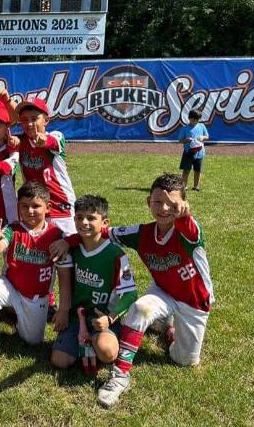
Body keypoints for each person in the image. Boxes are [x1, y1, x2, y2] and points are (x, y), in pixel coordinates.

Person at [51, 173, 212, 408]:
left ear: (182, 205)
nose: (164, 208)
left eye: (172, 203)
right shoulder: (142, 233)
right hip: (163, 290)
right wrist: (69, 241)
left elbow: (191, 230)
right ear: (148, 203)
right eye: (157, 202)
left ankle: (169, 330)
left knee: (184, 361)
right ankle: (120, 376)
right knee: (140, 308)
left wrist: (185, 216)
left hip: (193, 301)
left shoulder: (188, 230)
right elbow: (101, 232)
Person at [0, 181, 73, 370]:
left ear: (48, 207)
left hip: (37, 298)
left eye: (36, 206)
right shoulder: (13, 228)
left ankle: (18, 317)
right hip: (10, 286)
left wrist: (63, 309)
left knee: (32, 342)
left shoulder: (57, 236)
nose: (30, 211)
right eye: (24, 206)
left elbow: (65, 278)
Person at [50, 195, 138, 372]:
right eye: (79, 217)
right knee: (59, 361)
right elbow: (65, 283)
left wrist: (110, 318)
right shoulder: (70, 249)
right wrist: (63, 311)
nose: (84, 222)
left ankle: (99, 341)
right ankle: (84, 342)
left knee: (107, 352)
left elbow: (130, 294)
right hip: (77, 317)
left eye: (91, 218)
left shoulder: (116, 255)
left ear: (105, 222)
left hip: (104, 318)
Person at [16, 98, 76, 235]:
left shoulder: (56, 136)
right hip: (35, 209)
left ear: (46, 120)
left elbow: (52, 142)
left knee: (67, 252)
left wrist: (44, 141)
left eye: (34, 118)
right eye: (24, 120)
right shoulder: (20, 142)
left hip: (60, 208)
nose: (29, 124)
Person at [178, 109, 209, 191]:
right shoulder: (184, 129)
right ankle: (184, 186)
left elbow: (207, 136)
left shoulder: (202, 126)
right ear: (189, 118)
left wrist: (203, 137)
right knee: (186, 170)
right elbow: (180, 140)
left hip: (200, 152)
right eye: (194, 119)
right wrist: (186, 140)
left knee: (198, 170)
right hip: (188, 152)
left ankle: (196, 186)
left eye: (197, 120)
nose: (195, 121)